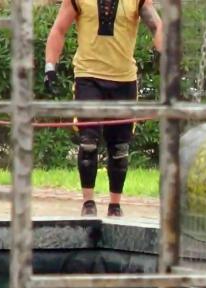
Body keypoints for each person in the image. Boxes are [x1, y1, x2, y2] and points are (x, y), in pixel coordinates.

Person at [44, 0, 163, 217]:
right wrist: (50, 66)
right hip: (88, 77)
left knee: (120, 148)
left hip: (124, 80)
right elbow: (59, 29)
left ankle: (115, 205)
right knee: (88, 142)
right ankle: (88, 203)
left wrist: (162, 51)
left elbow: (157, 25)